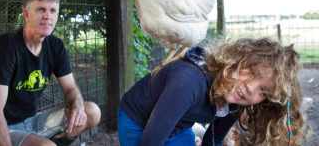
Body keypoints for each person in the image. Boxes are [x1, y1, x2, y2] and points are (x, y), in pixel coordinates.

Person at [117, 37, 309, 146]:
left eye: (264, 91)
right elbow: (150, 142)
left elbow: (213, 140)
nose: (251, 88)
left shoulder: (235, 101)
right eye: (251, 72)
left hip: (177, 124)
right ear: (236, 60)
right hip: (138, 121)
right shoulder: (189, 81)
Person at [0, 0, 101, 146]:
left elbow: (70, 89)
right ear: (26, 14)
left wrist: (77, 107)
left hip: (33, 120)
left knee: (91, 112)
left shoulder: (55, 46)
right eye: (41, 10)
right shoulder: (6, 47)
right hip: (6, 126)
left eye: (52, 11)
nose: (48, 16)